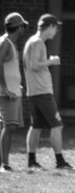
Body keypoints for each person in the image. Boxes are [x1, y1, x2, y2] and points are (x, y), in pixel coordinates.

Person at [23, 13, 73, 169]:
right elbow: (34, 65)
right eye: (55, 28)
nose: (56, 32)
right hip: (42, 92)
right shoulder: (38, 42)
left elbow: (34, 63)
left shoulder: (31, 41)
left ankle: (31, 161)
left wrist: (46, 61)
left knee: (36, 127)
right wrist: (51, 61)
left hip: (33, 92)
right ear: (50, 27)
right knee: (57, 125)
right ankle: (60, 162)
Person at [0, 13, 28, 172]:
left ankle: (3, 162)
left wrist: (17, 85)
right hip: (7, 93)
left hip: (13, 91)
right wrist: (5, 88)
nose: (24, 29)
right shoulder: (5, 42)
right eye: (23, 26)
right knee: (9, 126)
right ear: (17, 28)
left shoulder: (8, 42)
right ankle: (4, 164)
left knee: (8, 126)